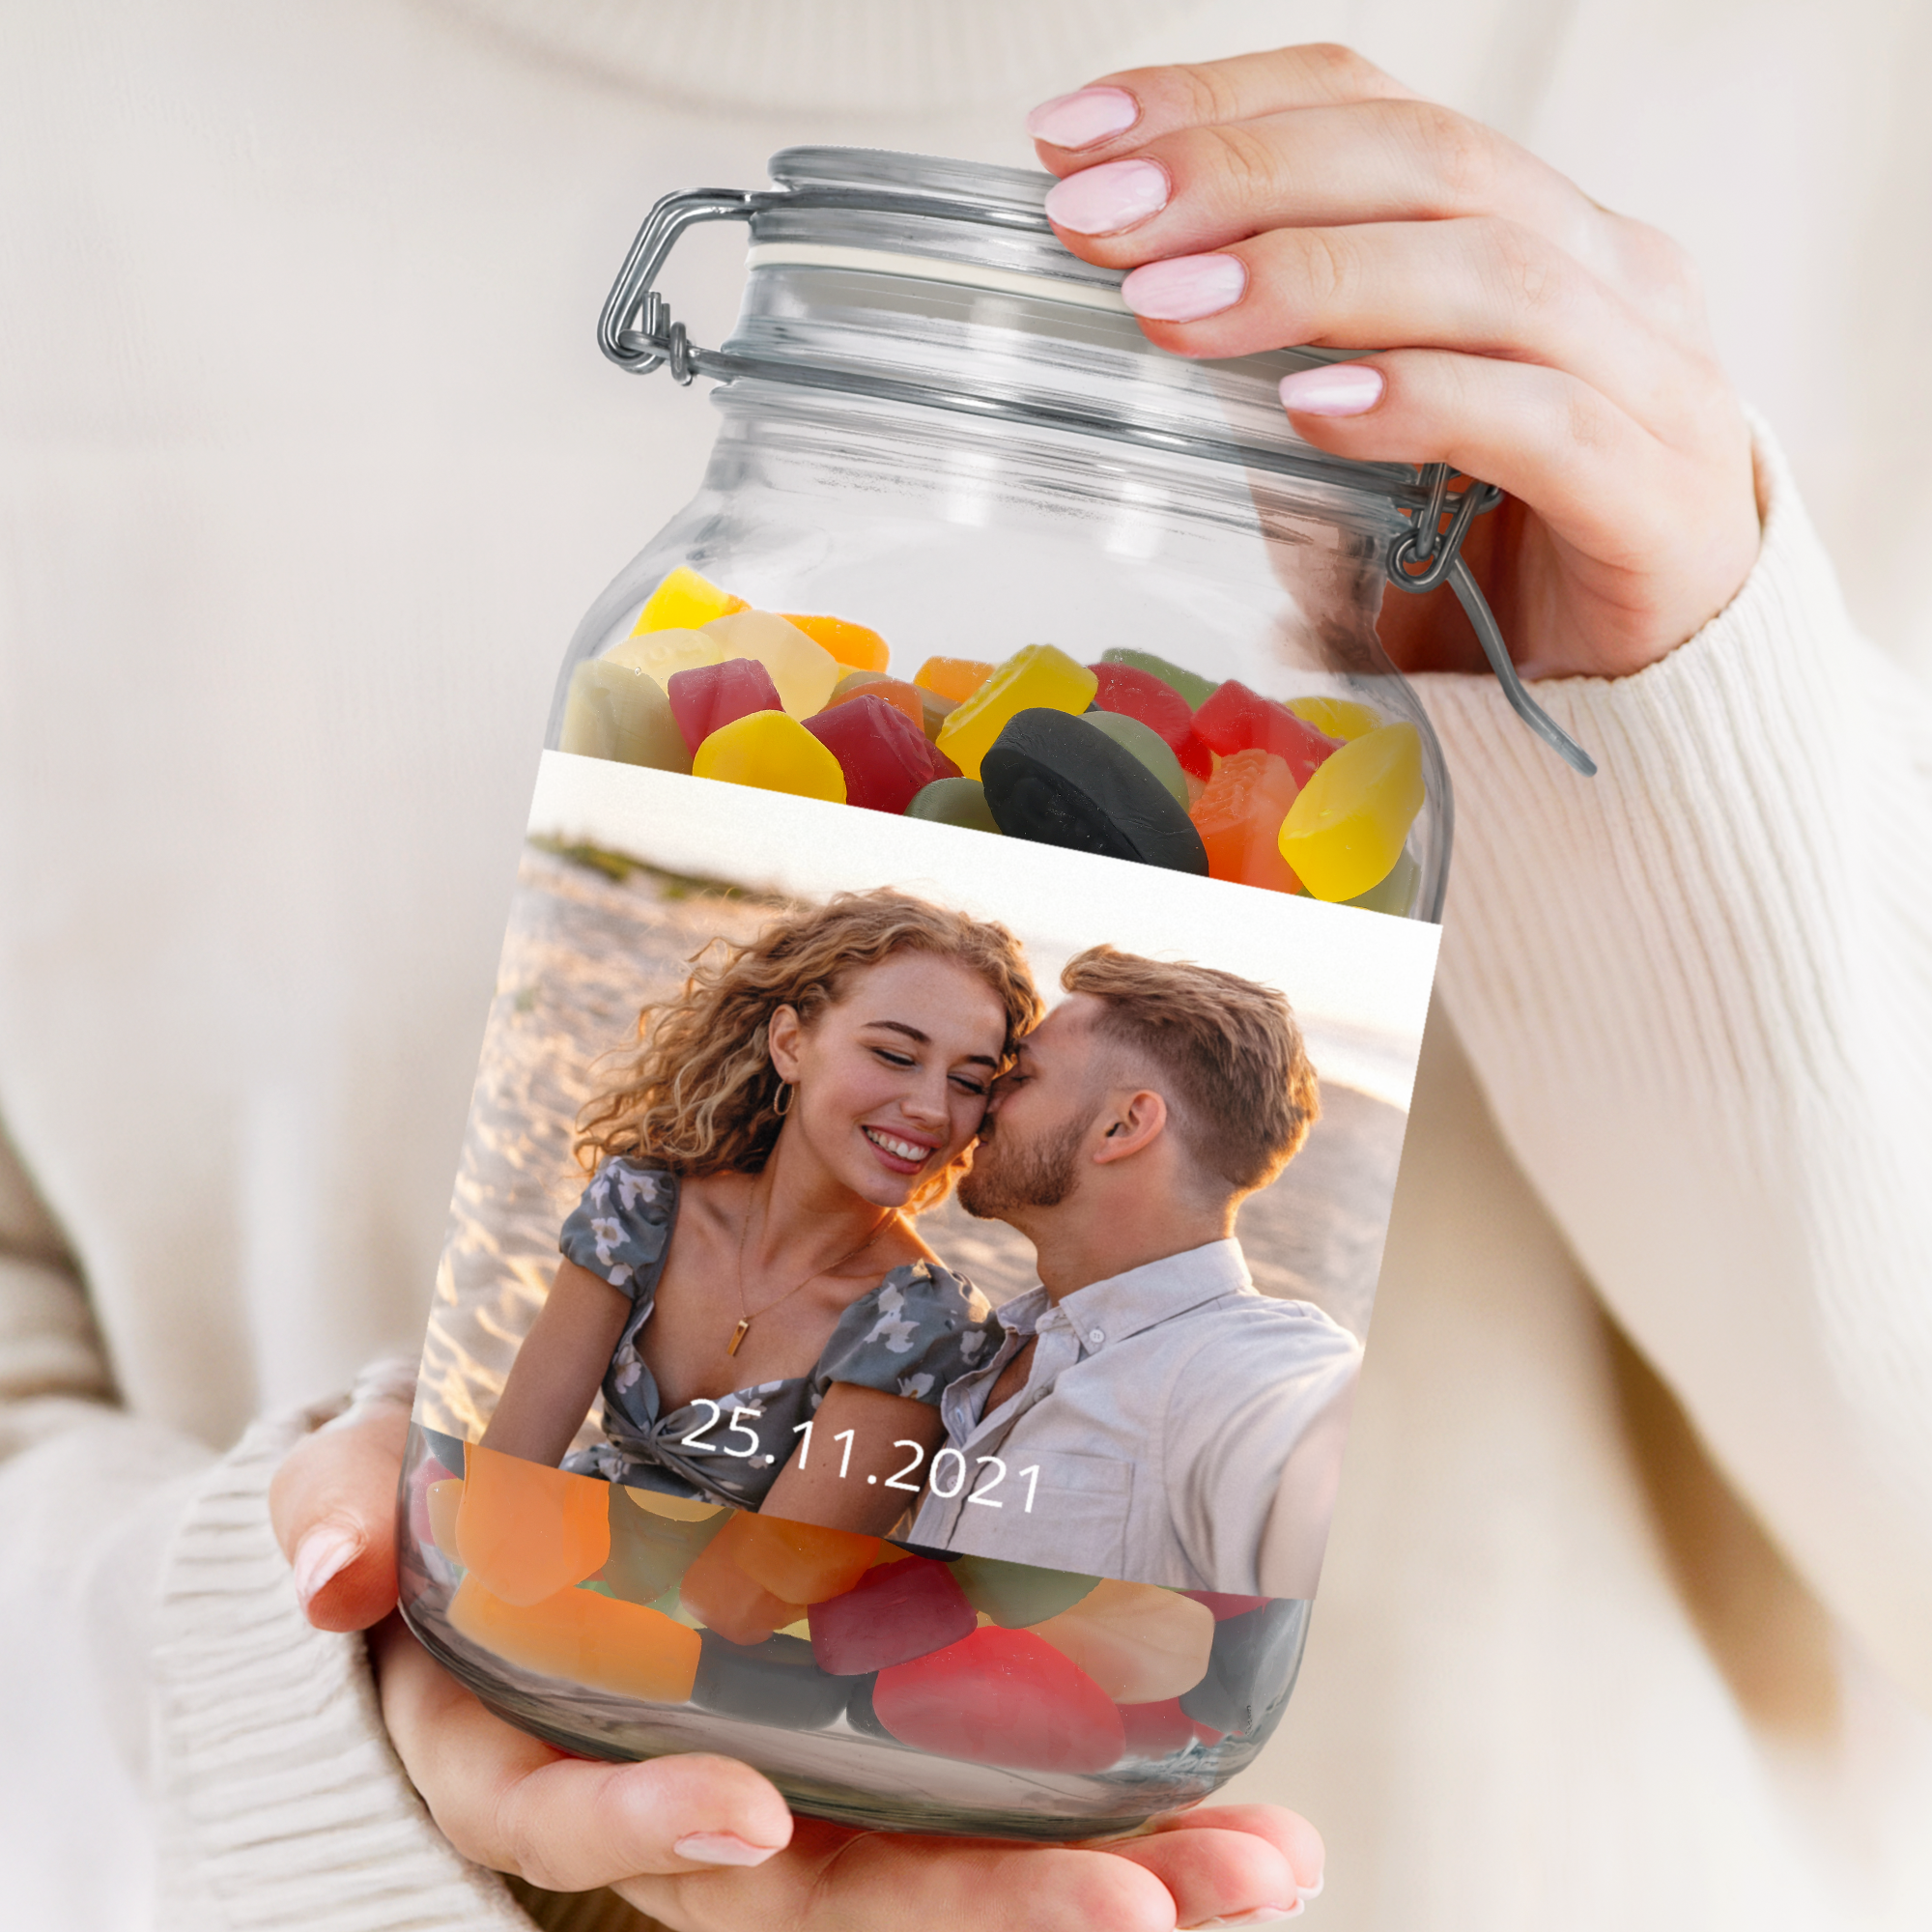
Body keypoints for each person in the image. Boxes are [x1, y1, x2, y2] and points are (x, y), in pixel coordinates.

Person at [6, 16, 1932, 1932]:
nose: (939, 1107)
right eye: (912, 1052)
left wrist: (1688, 726)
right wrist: (255, 1695)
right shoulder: (69, 112)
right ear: (783, 1025)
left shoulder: (1827, 96)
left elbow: (779, 1592)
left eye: (980, 1064)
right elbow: (539, 1502)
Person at [474, 888, 1027, 1532]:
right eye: (896, 1056)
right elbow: (504, 1476)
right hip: (542, 1555)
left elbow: (757, 1596)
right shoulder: (643, 1206)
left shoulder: (925, 1326)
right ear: (790, 1044)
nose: (933, 1108)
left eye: (968, 1083)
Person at [912, 947, 1359, 1595]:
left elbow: (1303, 1449)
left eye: (1022, 1077)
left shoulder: (1238, 1373)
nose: (984, 1098)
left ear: (1123, 1125)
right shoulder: (999, 1339)